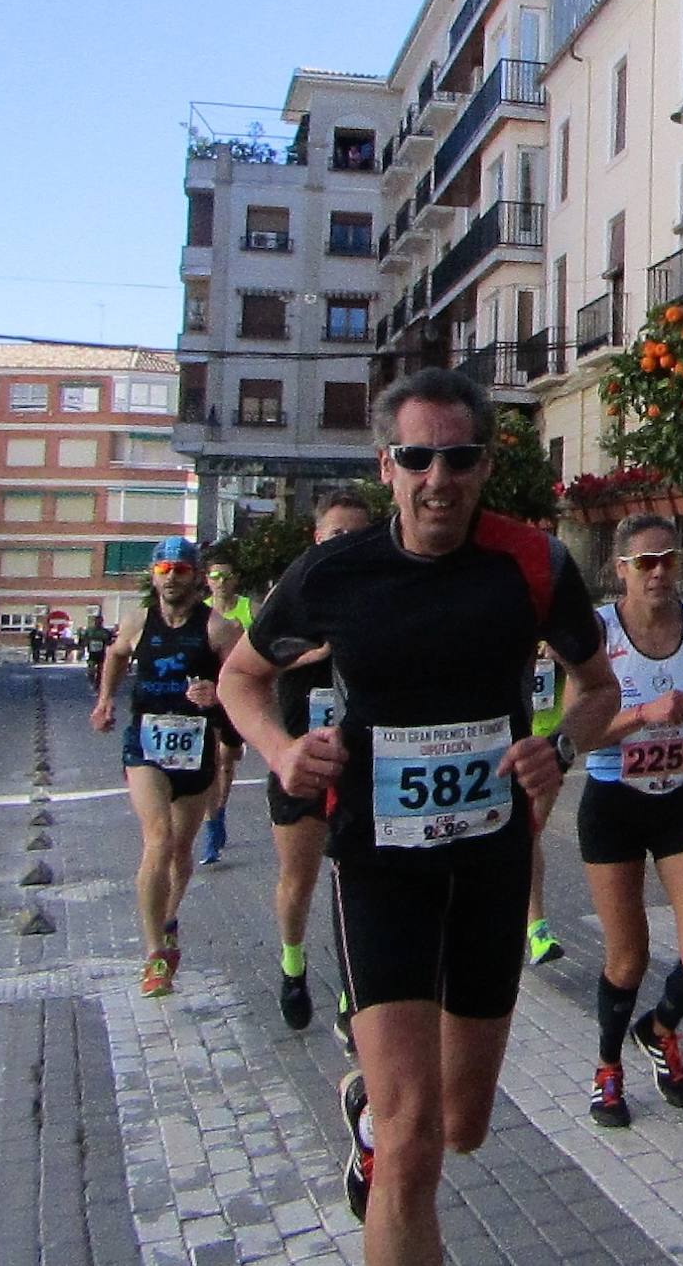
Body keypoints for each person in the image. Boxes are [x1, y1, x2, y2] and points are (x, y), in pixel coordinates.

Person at [218, 368, 620, 1266]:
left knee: (462, 1127)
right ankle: (382, 1119)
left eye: (459, 456)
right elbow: (243, 678)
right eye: (417, 457)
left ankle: (371, 1102)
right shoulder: (332, 572)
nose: (438, 478)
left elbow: (597, 688)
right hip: (379, 864)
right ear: (386, 466)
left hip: (488, 870)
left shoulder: (534, 564)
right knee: (412, 1145)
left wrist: (555, 750)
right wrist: (282, 753)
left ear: (485, 465)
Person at [578, 514, 683, 1130]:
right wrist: (645, 712)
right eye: (644, 562)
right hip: (614, 801)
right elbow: (580, 727)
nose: (659, 572)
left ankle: (660, 1027)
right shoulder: (598, 632)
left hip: (681, 800)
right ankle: (606, 1068)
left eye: (668, 559)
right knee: (628, 957)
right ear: (619, 570)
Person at [89, 537, 241, 998]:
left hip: (196, 748)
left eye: (180, 568)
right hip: (146, 742)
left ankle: (169, 917)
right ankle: (155, 953)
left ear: (195, 575)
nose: (171, 576)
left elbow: (247, 683)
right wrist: (105, 701)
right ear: (153, 574)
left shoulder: (217, 629)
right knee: (158, 838)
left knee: (180, 851)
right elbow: (116, 656)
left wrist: (217, 695)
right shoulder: (138, 620)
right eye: (163, 569)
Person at [261, 488, 373, 1038]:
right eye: (336, 536)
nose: (347, 545)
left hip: (361, 766)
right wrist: (316, 652)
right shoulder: (296, 592)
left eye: (359, 535)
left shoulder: (383, 596)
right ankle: (293, 964)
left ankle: (355, 993)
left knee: (353, 879)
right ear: (317, 539)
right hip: (302, 760)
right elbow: (254, 666)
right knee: (299, 877)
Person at [199, 557, 254, 865]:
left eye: (225, 576)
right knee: (215, 761)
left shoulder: (249, 609)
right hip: (208, 697)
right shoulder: (200, 611)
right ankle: (212, 825)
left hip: (237, 695)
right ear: (207, 580)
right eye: (215, 576)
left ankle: (219, 811)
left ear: (235, 580)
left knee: (227, 762)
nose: (220, 581)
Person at [526, 643, 565, 965]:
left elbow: (594, 676)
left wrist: (562, 649)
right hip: (497, 740)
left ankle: (537, 929)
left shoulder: (556, 609)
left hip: (546, 742)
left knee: (529, 833)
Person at [83, 616, 112, 692]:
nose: (98, 623)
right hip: (92, 653)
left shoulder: (105, 632)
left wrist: (107, 643)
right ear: (95, 622)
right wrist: (85, 644)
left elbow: (110, 641)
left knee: (100, 670)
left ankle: (97, 685)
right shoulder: (89, 631)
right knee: (91, 670)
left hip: (101, 653)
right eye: (97, 621)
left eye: (100, 621)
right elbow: (84, 639)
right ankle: (92, 681)